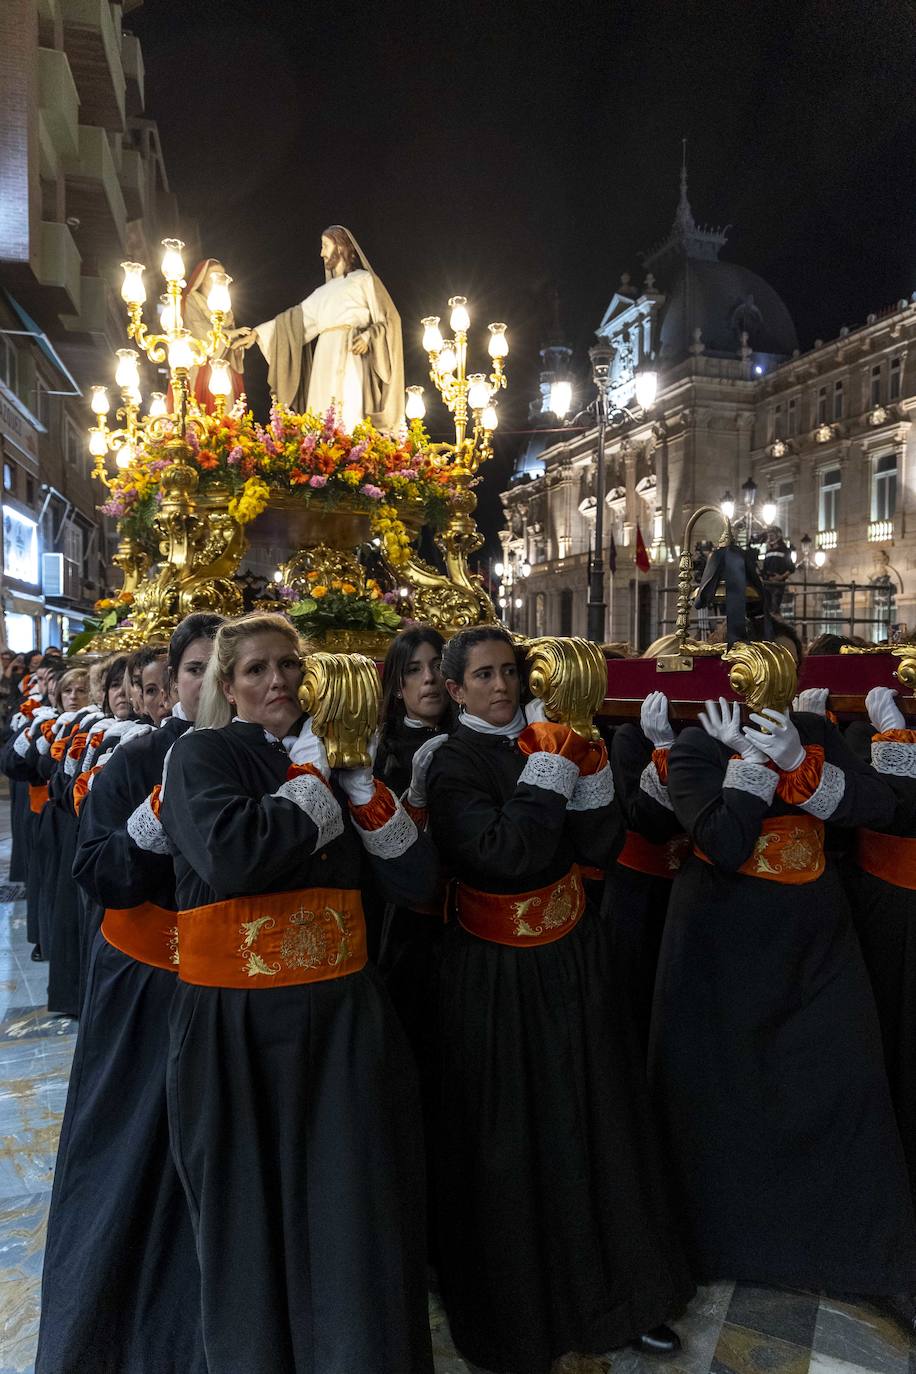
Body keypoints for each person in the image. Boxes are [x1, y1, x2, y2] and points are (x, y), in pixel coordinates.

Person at [160, 612, 436, 1373]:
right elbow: (234, 858)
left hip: (344, 1018)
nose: (277, 679)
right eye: (256, 669)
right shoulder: (202, 756)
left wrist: (362, 789)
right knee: (248, 1213)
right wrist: (311, 784)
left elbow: (416, 882)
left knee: (354, 1207)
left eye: (288, 664)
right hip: (238, 1027)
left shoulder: (336, 760)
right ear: (227, 686)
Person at [425, 626, 692, 1374]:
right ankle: (526, 1312)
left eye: (509, 672)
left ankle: (621, 1297)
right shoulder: (451, 762)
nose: (501, 686)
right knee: (514, 1140)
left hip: (573, 957)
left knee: (598, 1120)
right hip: (496, 975)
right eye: (483, 676)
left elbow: (601, 844)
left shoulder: (549, 742)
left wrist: (581, 760)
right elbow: (503, 854)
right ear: (456, 691)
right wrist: (550, 767)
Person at [656, 695, 916, 1325]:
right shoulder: (695, 743)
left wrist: (803, 763)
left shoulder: (812, 729)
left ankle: (875, 1259)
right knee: (725, 1094)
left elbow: (886, 808)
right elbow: (721, 841)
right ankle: (719, 1245)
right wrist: (749, 764)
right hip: (723, 942)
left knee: (849, 1080)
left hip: (815, 935)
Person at [36, 615, 225, 1374]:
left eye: (224, 668)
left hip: (234, 992)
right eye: (195, 669)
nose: (210, 683)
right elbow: (100, 871)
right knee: (133, 1157)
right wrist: (160, 811)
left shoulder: (265, 757)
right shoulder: (138, 759)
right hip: (148, 983)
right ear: (170, 683)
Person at [235, 225, 404, 432]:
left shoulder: (364, 279)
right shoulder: (322, 292)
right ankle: (320, 449)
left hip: (352, 353)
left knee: (349, 403)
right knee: (321, 408)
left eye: (325, 246)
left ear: (340, 247)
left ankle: (354, 447)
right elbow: (294, 321)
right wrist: (257, 333)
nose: (321, 253)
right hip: (324, 356)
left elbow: (389, 319)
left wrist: (369, 336)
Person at [606, 690, 688, 1055]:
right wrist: (663, 751)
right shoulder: (629, 736)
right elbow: (649, 823)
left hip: (689, 891)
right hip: (639, 895)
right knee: (638, 1001)